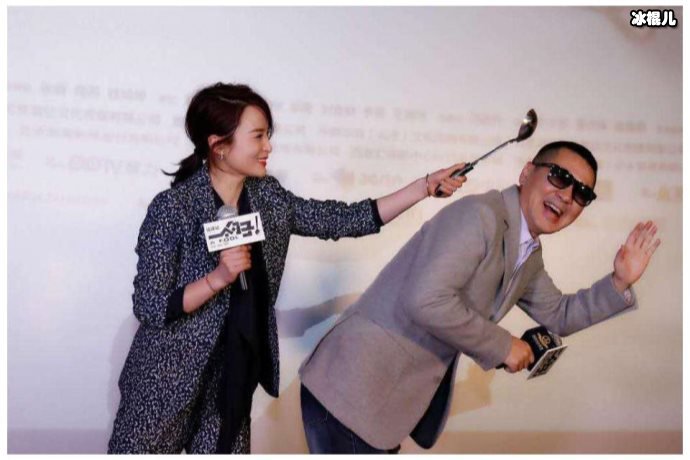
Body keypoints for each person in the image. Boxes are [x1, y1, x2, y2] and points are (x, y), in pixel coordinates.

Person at [107, 82, 466, 454]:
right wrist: (217, 279)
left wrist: (424, 187)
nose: (268, 147)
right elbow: (150, 304)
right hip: (165, 381)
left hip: (232, 381)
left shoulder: (268, 198)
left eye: (268, 136)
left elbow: (342, 219)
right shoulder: (173, 208)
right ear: (219, 145)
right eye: (258, 136)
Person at [299, 140, 661, 454]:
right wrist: (504, 346)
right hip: (352, 390)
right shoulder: (480, 216)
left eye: (581, 193)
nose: (566, 195)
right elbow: (427, 299)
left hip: (380, 404)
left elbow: (560, 315)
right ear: (526, 173)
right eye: (559, 177)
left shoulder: (527, 251)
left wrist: (619, 281)